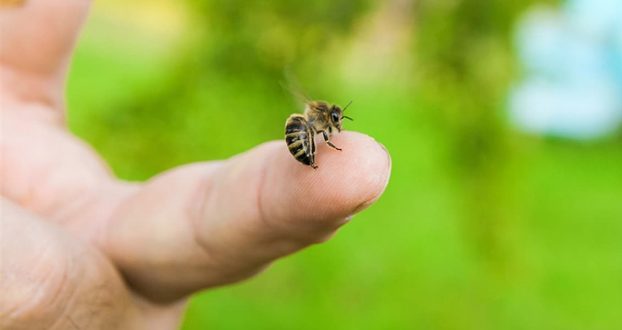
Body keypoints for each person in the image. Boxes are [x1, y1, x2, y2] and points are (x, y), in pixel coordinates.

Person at [0, 1, 391, 328]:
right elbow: (311, 128)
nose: (336, 126)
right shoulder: (317, 122)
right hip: (301, 141)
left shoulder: (319, 122)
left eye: (335, 124)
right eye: (335, 122)